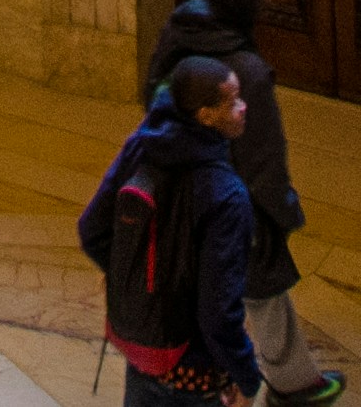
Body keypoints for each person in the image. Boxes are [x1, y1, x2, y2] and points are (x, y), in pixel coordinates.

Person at [146, 0, 340, 407]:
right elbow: (264, 162)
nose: (267, 1)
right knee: (262, 285)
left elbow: (151, 98)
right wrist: (285, 213)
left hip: (174, 190)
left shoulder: (180, 28)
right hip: (229, 202)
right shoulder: (246, 74)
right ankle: (287, 383)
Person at [80, 53, 262, 407]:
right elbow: (217, 312)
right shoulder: (227, 196)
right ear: (206, 116)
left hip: (145, 358)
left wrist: (138, 286)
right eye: (233, 101)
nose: (243, 107)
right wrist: (247, 377)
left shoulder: (141, 146)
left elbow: (92, 229)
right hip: (193, 375)